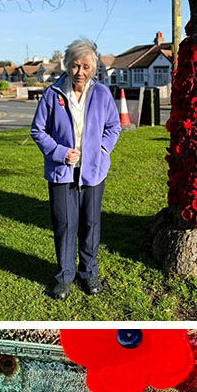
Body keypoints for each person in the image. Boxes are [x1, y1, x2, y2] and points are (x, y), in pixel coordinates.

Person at [30, 38, 121, 299]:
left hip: (93, 171)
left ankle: (89, 273)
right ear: (67, 66)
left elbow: (113, 127)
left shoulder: (102, 94)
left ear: (94, 68)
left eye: (86, 67)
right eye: (74, 66)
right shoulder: (52, 95)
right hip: (62, 172)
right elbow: (38, 130)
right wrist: (60, 152)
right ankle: (65, 276)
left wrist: (102, 150)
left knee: (91, 224)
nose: (79, 72)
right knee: (65, 224)